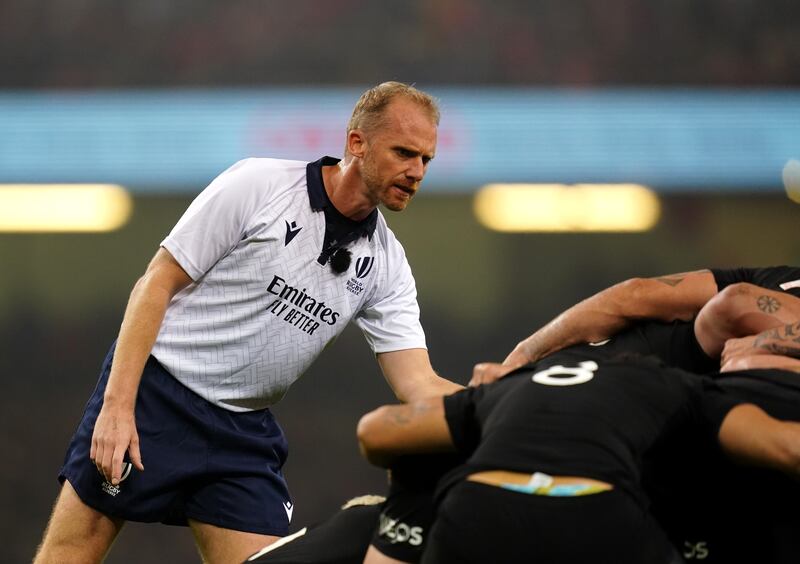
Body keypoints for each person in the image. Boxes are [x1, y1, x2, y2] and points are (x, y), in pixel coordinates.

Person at [34, 81, 463, 564]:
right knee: (71, 552)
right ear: (356, 143)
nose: (416, 171)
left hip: (241, 433)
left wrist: (498, 404)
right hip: (156, 396)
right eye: (404, 152)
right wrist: (117, 406)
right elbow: (156, 283)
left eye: (426, 159)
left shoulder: (388, 264)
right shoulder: (259, 184)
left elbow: (418, 382)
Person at [357, 347, 800, 564]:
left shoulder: (510, 389)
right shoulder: (678, 386)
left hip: (479, 510)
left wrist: (485, 422)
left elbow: (375, 432)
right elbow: (786, 447)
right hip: (591, 511)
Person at [471, 266, 800, 385]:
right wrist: (522, 354)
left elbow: (736, 307)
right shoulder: (779, 279)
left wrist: (760, 348)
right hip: (564, 380)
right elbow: (634, 294)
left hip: (629, 410)